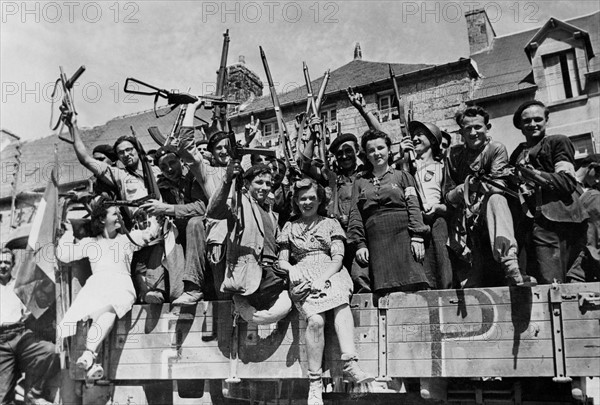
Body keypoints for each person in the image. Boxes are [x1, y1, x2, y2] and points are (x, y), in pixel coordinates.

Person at [277, 178, 374, 405]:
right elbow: (282, 260)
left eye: (312, 197)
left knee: (341, 302)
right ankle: (314, 384)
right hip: (302, 272)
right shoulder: (289, 227)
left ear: (320, 200)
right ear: (296, 201)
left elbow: (338, 258)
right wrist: (291, 269)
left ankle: (350, 363)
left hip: (330, 272)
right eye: (303, 198)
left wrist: (323, 278)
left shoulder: (331, 224)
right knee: (315, 322)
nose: (307, 202)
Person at [64, 111, 169, 304]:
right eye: (121, 152)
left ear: (138, 150)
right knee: (140, 276)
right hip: (142, 233)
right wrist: (73, 127)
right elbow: (86, 160)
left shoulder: (159, 170)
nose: (126, 154)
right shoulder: (120, 175)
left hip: (167, 229)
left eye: (129, 149)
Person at [56, 201, 158, 380]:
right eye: (114, 213)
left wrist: (154, 217)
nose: (119, 216)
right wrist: (68, 234)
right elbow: (64, 255)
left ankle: (90, 355)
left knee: (109, 309)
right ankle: (91, 360)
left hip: (120, 285)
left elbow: (150, 234)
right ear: (102, 220)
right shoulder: (90, 243)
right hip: (98, 284)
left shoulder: (127, 239)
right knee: (100, 314)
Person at [445, 105, 536, 287]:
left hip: (490, 213)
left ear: (488, 128)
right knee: (472, 287)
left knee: (496, 198)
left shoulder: (496, 149)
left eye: (478, 127)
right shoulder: (453, 155)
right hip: (464, 221)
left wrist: (475, 191)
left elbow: (498, 186)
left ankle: (510, 264)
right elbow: (447, 196)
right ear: (461, 132)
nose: (473, 132)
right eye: (467, 128)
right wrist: (467, 187)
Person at [510, 100, 588, 284]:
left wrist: (531, 173)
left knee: (556, 284)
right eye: (527, 121)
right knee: (541, 284)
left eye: (538, 119)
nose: (533, 124)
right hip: (531, 225)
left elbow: (567, 182)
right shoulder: (517, 153)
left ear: (547, 121)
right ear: (520, 126)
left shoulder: (557, 142)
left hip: (559, 219)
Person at [347, 129, 430, 294]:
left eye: (380, 148)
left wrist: (417, 236)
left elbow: (413, 205)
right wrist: (360, 244)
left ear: (389, 149)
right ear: (366, 155)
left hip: (403, 236)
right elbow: (355, 214)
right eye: (371, 150)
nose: (376, 153)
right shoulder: (360, 181)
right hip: (376, 239)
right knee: (384, 291)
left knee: (412, 287)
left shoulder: (403, 176)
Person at [207, 163, 289, 313]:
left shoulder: (271, 211)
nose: (264, 187)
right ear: (246, 183)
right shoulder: (240, 204)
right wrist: (227, 180)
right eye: (259, 182)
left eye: (268, 184)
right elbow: (214, 211)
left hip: (272, 273)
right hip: (251, 275)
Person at [141, 145, 212, 305]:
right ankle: (156, 288)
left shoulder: (194, 175)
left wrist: (168, 209)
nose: (169, 169)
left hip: (202, 230)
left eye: (172, 162)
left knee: (194, 224)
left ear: (181, 160)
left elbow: (202, 207)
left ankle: (192, 288)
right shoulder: (163, 186)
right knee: (160, 233)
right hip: (180, 231)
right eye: (163, 167)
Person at [1, 248, 59, 405]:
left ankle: (34, 393)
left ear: (13, 265)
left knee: (49, 351)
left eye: (6, 262)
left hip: (21, 334)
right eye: (0, 262)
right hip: (1, 342)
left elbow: (40, 299)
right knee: (2, 398)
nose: (3, 266)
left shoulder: (20, 285)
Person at [401, 121, 453, 289]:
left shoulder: (443, 167)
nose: (415, 138)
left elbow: (452, 204)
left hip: (437, 220)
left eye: (420, 134)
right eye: (413, 135)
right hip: (414, 221)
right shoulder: (406, 168)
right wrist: (404, 159)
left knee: (442, 259)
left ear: (432, 140)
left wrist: (437, 208)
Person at [567, 154, 600, 282]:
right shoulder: (592, 196)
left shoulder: (590, 192)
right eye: (597, 175)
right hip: (580, 267)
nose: (597, 181)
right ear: (591, 167)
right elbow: (593, 238)